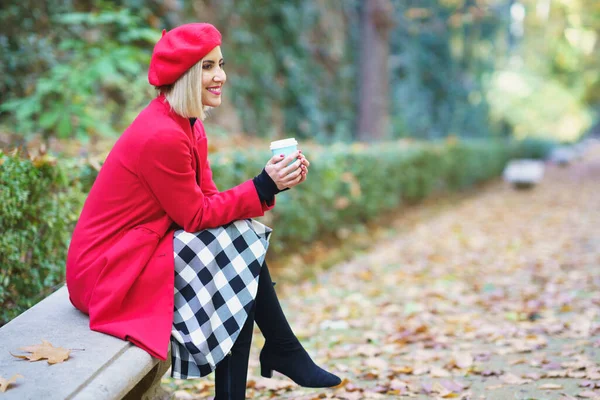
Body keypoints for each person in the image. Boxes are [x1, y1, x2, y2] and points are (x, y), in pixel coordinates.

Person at [65, 22, 341, 399]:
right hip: (106, 270)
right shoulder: (161, 134)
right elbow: (196, 216)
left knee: (237, 251)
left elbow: (210, 203)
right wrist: (263, 185)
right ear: (185, 75)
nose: (221, 76)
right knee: (237, 255)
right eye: (207, 67)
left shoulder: (187, 125)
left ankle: (275, 353)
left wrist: (273, 182)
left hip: (139, 250)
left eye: (220, 64)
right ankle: (281, 349)